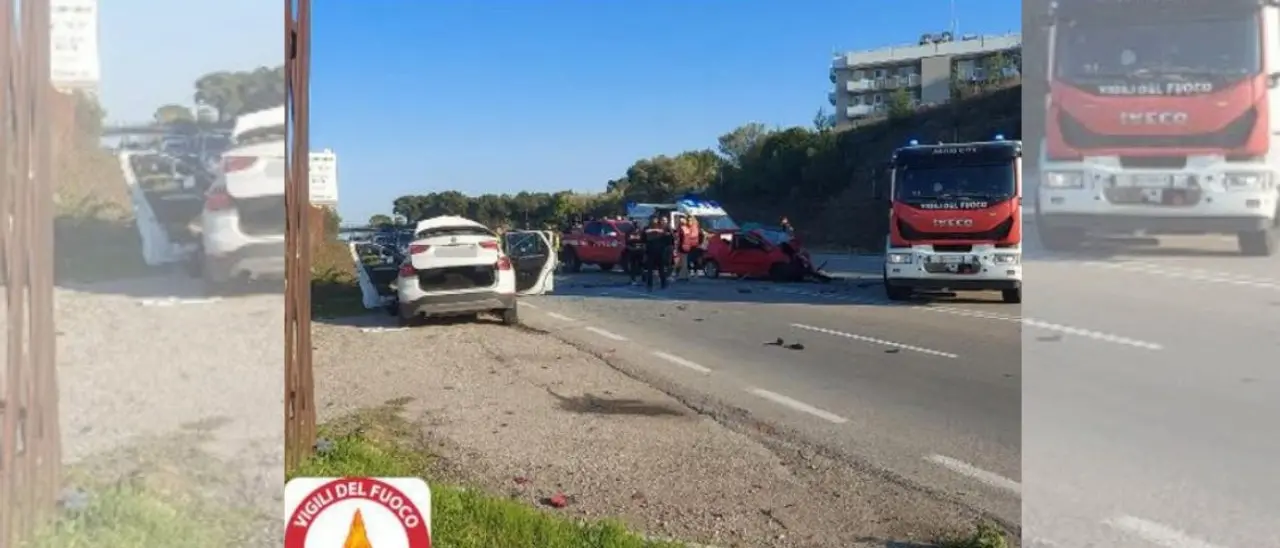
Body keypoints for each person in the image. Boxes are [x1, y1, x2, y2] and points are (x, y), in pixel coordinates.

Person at [641, 215, 674, 291]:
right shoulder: (647, 228)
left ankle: (663, 283)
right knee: (650, 269)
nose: (654, 221)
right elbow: (643, 239)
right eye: (653, 219)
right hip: (650, 250)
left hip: (660, 250)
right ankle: (649, 284)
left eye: (655, 219)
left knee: (661, 268)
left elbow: (668, 237)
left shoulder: (661, 227)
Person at [675, 216, 702, 281]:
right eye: (688, 220)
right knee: (686, 261)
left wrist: (699, 243)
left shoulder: (695, 227)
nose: (689, 222)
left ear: (693, 221)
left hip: (694, 246)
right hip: (687, 246)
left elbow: (698, 236)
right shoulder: (686, 227)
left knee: (692, 260)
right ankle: (685, 274)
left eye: (690, 220)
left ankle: (691, 274)